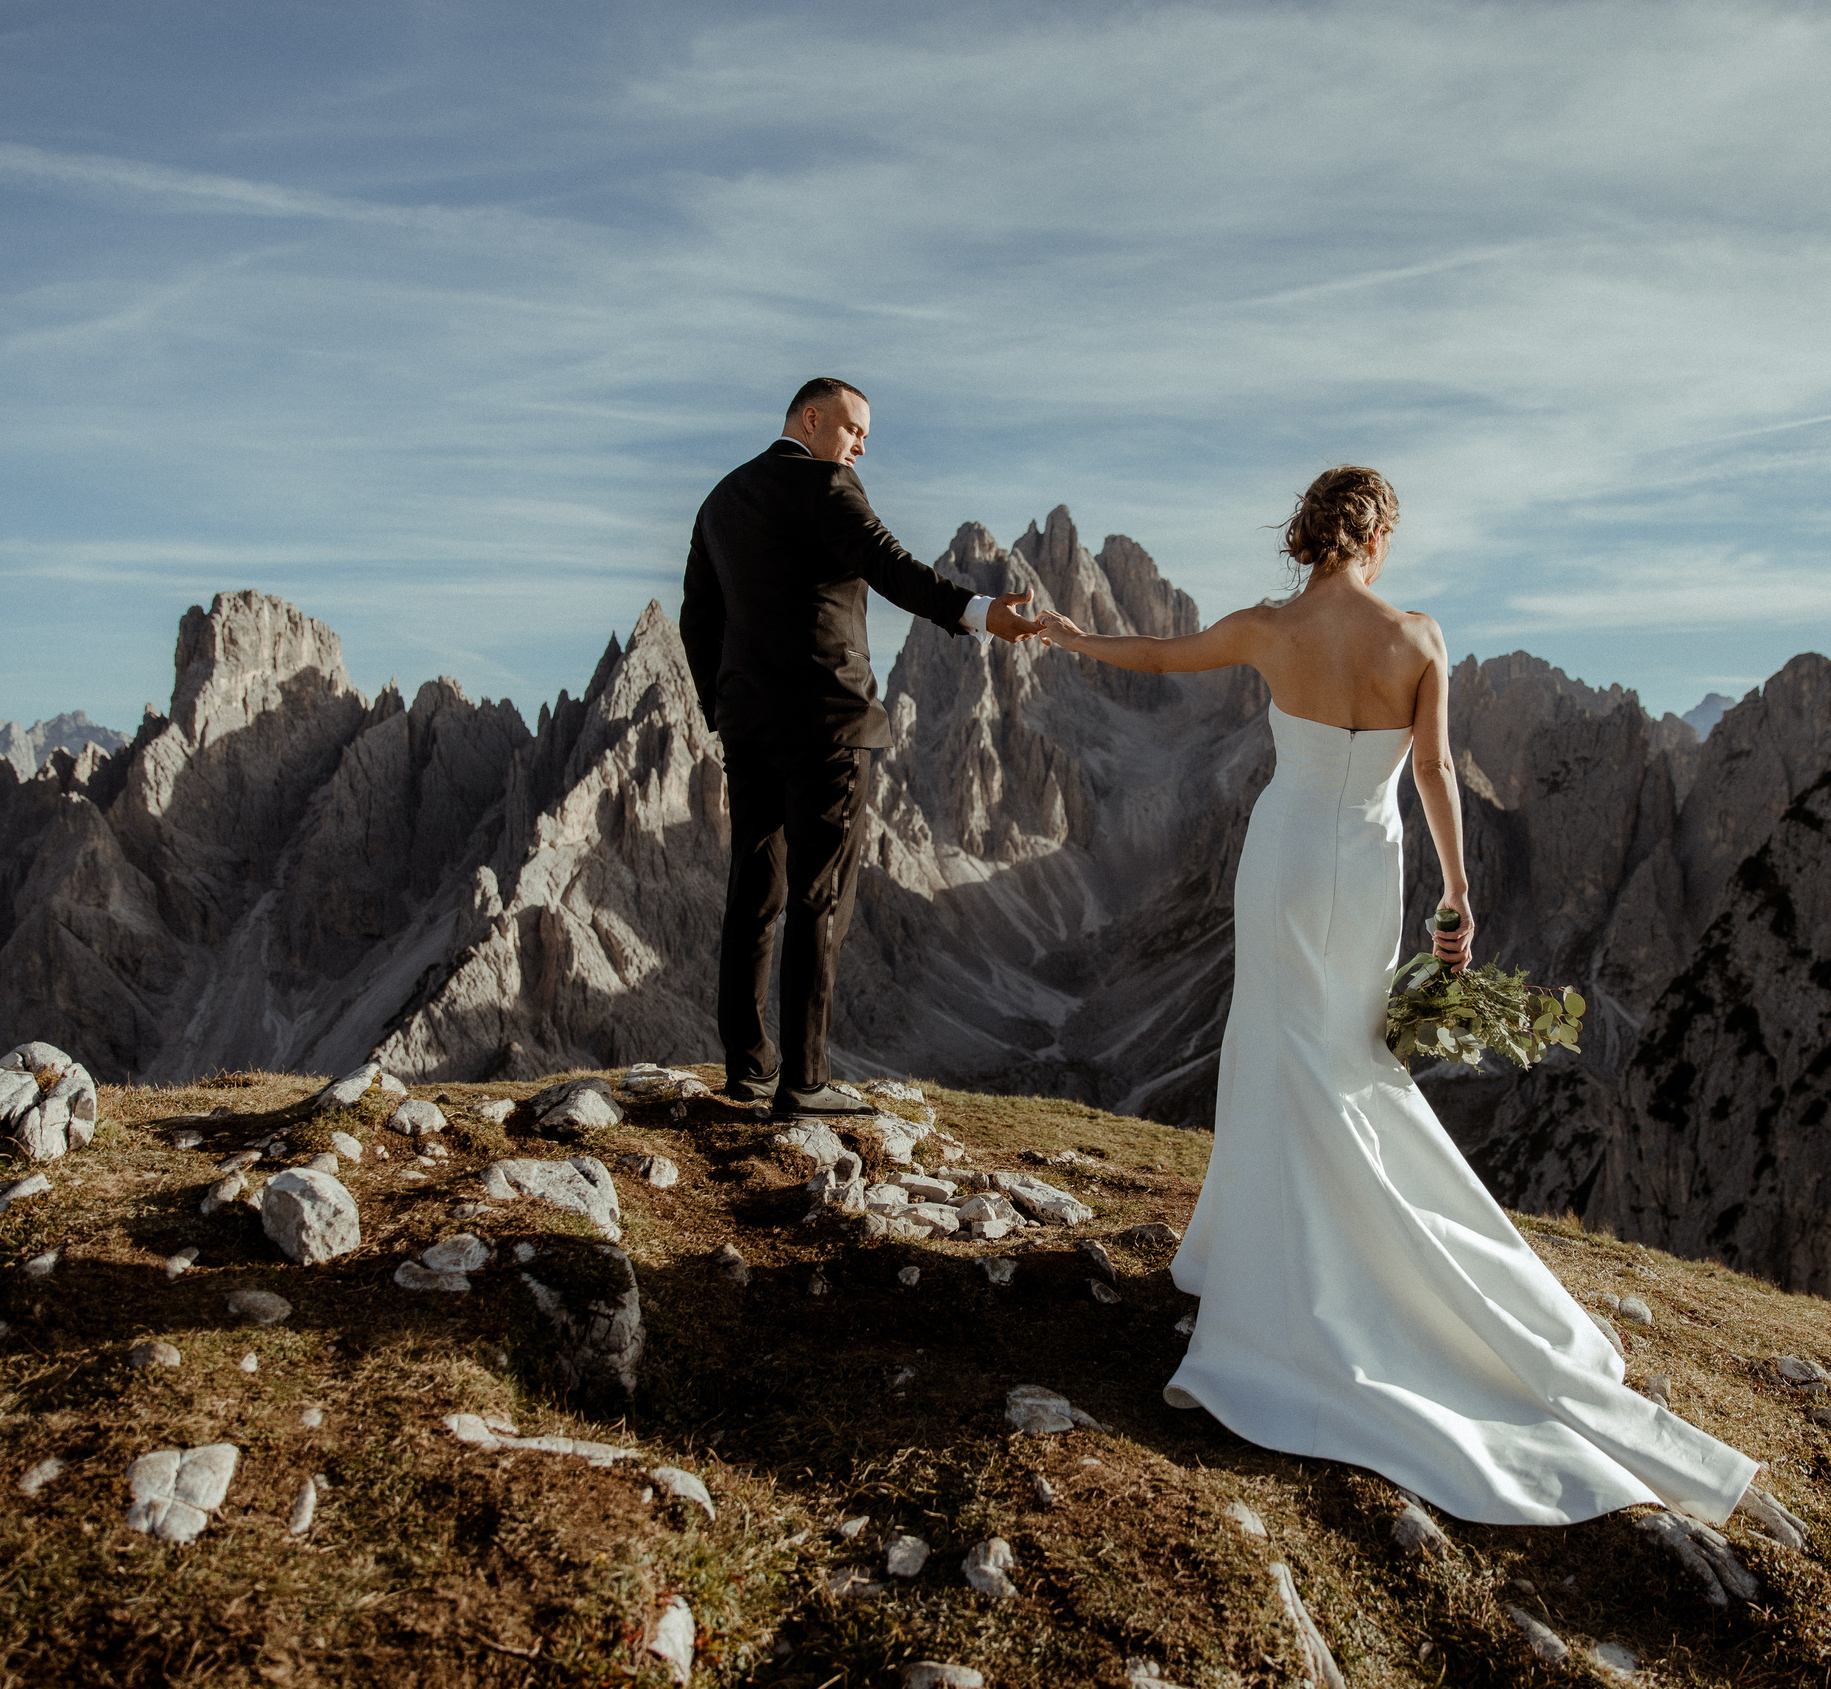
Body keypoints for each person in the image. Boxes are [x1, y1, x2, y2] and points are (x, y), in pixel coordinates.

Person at [1036, 466, 1756, 1527]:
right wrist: (1457, 895)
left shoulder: (1269, 626)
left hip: (1281, 853)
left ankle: (1269, 1256)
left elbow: (1150, 653)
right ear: (1378, 538)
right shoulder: (1419, 639)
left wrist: (1060, 630)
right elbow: (1433, 774)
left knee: (1278, 1040)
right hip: (1370, 864)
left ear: (1306, 533)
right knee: (1345, 1051)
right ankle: (1345, 1250)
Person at [681, 377, 1044, 1118]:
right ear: (811, 421)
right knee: (820, 900)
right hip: (829, 725)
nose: (861, 446)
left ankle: (748, 1071)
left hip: (750, 729)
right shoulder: (828, 486)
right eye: (853, 429)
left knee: (752, 896)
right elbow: (890, 565)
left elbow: (698, 617)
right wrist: (979, 613)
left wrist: (723, 707)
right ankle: (804, 1083)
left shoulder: (720, 499)